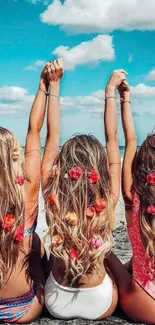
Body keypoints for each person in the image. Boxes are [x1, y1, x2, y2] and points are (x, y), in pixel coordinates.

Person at [41, 63, 126, 320]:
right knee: (108, 254)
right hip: (99, 302)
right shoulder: (108, 197)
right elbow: (113, 138)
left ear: (63, 166)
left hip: (55, 300)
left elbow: (51, 137)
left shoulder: (52, 197)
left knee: (42, 250)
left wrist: (53, 86)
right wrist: (110, 92)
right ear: (99, 168)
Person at [0, 62, 50, 323]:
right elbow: (34, 132)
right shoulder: (26, 190)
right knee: (37, 246)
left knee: (34, 242)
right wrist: (44, 85)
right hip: (23, 310)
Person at [106, 78, 155, 324]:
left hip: (145, 304)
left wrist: (122, 97)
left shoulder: (131, 196)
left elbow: (129, 139)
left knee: (102, 250)